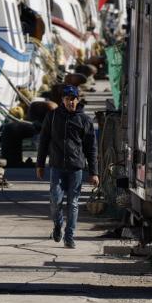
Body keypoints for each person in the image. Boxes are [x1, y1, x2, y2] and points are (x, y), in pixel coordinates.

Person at [35, 85, 100, 248]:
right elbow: (43, 141)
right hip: (57, 167)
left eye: (73, 99)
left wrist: (94, 172)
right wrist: (40, 164)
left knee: (73, 203)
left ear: (78, 100)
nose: (71, 102)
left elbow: (91, 148)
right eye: (67, 99)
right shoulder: (52, 116)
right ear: (62, 100)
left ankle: (69, 236)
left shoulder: (85, 120)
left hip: (76, 168)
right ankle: (58, 225)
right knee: (55, 201)